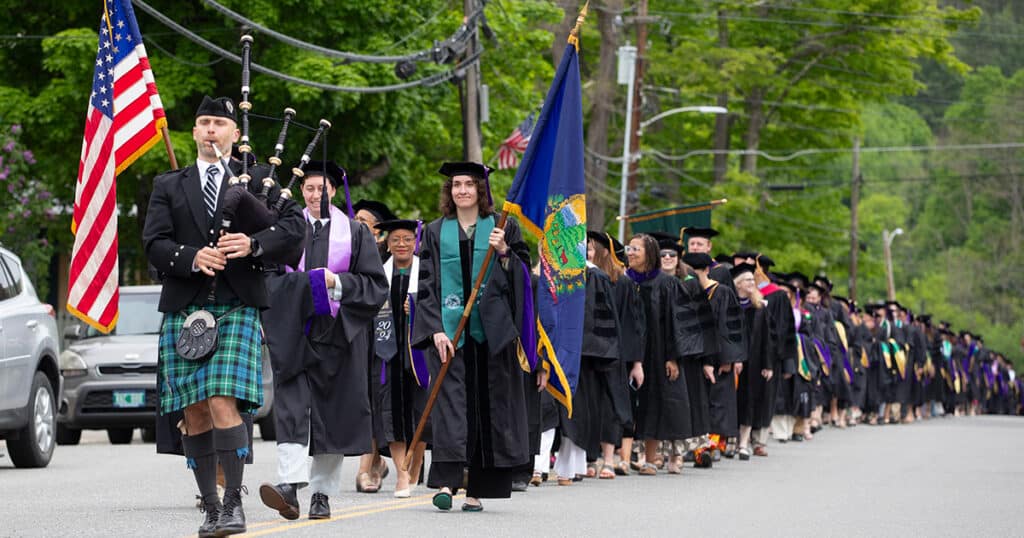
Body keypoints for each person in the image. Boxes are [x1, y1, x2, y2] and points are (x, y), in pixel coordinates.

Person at [143, 95, 305, 537]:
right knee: (194, 411)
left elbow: (294, 234)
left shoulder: (261, 182)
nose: (211, 130)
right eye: (204, 123)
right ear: (194, 132)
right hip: (185, 307)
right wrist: (193, 257)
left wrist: (253, 245)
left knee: (221, 401)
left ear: (235, 134)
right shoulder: (169, 184)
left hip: (236, 305)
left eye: (220, 123)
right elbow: (153, 242)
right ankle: (211, 508)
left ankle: (234, 503)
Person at [258, 160, 388, 520]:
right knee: (292, 407)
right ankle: (289, 485)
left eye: (323, 188)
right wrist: (302, 286)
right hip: (294, 330)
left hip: (340, 330)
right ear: (302, 191)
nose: (316, 195)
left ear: (334, 191)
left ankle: (321, 493)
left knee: (334, 411)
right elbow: (266, 279)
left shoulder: (356, 233)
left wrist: (337, 283)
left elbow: (376, 285)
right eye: (310, 188)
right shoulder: (285, 229)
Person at [410, 161, 534, 512]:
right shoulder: (435, 232)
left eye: (469, 184)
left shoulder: (501, 228)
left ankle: (478, 489)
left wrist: (505, 253)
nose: (462, 190)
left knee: (487, 409)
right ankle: (447, 483)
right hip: (450, 335)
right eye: (456, 185)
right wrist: (435, 328)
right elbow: (427, 285)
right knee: (450, 409)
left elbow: (524, 279)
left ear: (482, 190)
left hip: (490, 337)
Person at [625, 234, 708, 475]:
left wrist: (673, 357)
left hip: (657, 352)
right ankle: (623, 457)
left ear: (648, 254)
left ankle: (653, 458)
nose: (629, 252)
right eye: (629, 248)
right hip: (629, 350)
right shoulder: (624, 281)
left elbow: (676, 324)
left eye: (635, 249)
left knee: (656, 403)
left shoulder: (666, 284)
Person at [370, 219, 429, 497]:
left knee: (419, 412)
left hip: (419, 355)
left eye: (407, 239)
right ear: (388, 244)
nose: (402, 244)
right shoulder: (379, 275)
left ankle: (416, 460)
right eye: (396, 240)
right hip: (387, 354)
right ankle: (401, 473)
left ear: (416, 242)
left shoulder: (427, 274)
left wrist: (417, 306)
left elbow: (437, 306)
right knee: (392, 412)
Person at [587, 231, 644, 478]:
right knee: (589, 405)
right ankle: (589, 459)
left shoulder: (623, 282)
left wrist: (636, 363)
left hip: (612, 353)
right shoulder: (583, 278)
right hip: (588, 352)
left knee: (610, 405)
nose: (587, 253)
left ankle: (608, 460)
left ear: (601, 252)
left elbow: (634, 325)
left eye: (591, 249)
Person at [684, 252, 745, 461]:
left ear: (705, 270)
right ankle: (694, 446)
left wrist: (728, 358)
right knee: (695, 402)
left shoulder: (723, 293)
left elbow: (731, 328)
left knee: (717, 402)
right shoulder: (688, 290)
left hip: (718, 358)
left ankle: (712, 445)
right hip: (693, 356)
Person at [730, 263, 774, 459]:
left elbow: (766, 338)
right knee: (732, 400)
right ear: (738, 284)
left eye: (752, 280)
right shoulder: (730, 305)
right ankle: (729, 440)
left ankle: (743, 443)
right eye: (747, 280)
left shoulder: (759, 308)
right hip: (732, 360)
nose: (751, 283)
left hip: (754, 361)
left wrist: (768, 364)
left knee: (749, 401)